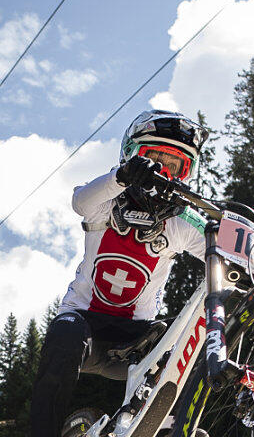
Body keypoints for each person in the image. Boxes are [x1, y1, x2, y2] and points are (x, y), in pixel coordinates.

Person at [30, 110, 210, 437]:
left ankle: (169, 428)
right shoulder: (105, 203)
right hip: (84, 325)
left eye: (173, 165)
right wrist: (122, 177)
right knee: (65, 336)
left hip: (135, 338)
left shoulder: (182, 222)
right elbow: (80, 201)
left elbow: (221, 252)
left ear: (185, 173)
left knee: (179, 357)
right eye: (151, 158)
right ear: (131, 155)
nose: (161, 170)